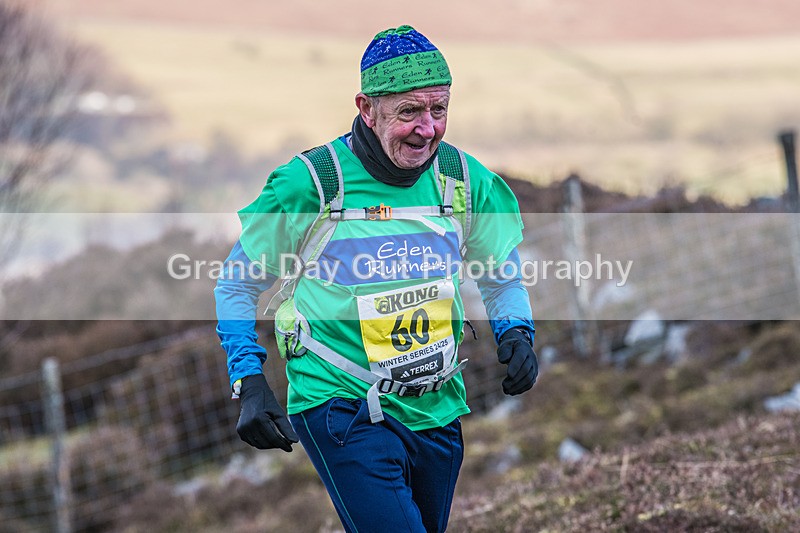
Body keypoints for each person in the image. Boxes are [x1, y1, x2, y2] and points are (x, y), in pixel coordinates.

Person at [215, 25, 537, 533]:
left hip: (436, 405)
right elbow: (237, 284)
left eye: (439, 109)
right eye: (409, 111)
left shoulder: (463, 179)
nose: (427, 129)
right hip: (340, 403)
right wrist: (248, 379)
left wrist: (517, 329)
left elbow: (502, 273)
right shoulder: (312, 183)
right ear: (367, 108)